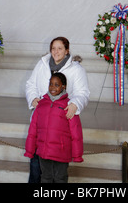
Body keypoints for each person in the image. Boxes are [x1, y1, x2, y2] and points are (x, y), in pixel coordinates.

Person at [25, 36, 89, 182]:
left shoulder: (76, 69)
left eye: (60, 48)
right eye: (53, 48)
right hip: (41, 120)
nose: (56, 51)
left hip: (61, 123)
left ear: (66, 50)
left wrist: (75, 104)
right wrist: (33, 98)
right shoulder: (42, 64)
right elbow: (30, 84)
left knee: (59, 174)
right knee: (36, 166)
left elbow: (83, 93)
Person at [24, 72, 84, 183]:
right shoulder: (41, 104)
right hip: (44, 151)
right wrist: (30, 150)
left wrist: (77, 155)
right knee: (45, 178)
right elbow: (33, 130)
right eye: (51, 84)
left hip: (61, 151)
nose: (52, 87)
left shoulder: (69, 105)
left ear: (63, 86)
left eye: (56, 85)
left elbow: (76, 132)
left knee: (60, 178)